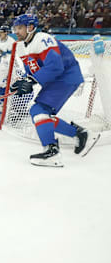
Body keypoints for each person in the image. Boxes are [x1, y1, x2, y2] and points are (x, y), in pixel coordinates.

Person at [10, 13, 100, 166]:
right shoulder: (21, 46)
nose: (16, 31)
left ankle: (52, 151)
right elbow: (32, 70)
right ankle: (81, 135)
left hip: (66, 77)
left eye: (19, 28)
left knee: (39, 110)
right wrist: (23, 82)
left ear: (30, 27)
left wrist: (32, 80)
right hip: (56, 80)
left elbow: (56, 66)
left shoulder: (43, 39)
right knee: (40, 113)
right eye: (15, 28)